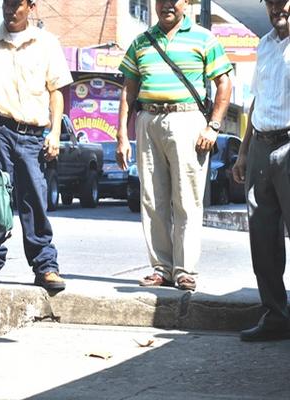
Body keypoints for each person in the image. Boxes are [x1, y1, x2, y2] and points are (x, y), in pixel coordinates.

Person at [116, 0, 232, 291]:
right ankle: (161, 268)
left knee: (187, 200)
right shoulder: (141, 42)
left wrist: (214, 125)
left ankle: (185, 270)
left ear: (186, 3)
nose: (167, 4)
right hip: (148, 120)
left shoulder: (204, 38)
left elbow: (224, 83)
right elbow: (129, 89)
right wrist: (121, 134)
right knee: (152, 200)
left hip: (187, 121)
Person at [0, 0, 72, 291]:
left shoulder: (47, 43)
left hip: (33, 136)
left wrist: (54, 133)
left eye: (17, 4)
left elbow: (56, 92)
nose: (10, 10)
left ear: (31, 6)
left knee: (34, 200)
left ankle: (45, 266)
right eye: (6, 3)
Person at [232, 0, 290, 341]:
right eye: (270, 2)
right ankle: (276, 315)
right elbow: (257, 99)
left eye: (282, 2)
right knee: (263, 236)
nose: (276, 8)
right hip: (261, 147)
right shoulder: (265, 44)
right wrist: (243, 151)